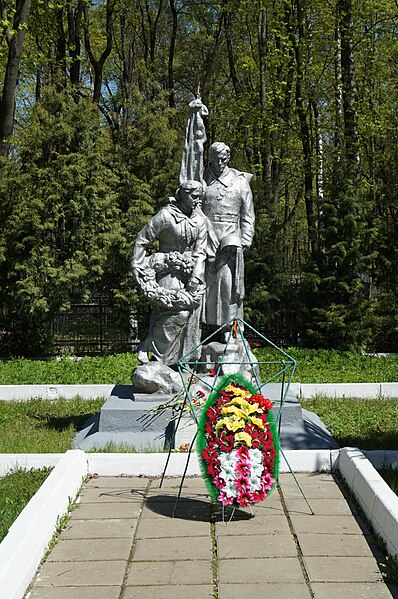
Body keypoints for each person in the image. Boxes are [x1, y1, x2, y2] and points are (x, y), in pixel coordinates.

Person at [132, 180, 207, 366]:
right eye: (193, 196)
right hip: (168, 271)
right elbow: (142, 239)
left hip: (190, 273)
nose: (197, 201)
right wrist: (139, 265)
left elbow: (201, 251)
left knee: (190, 318)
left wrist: (196, 277)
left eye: (200, 197)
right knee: (175, 313)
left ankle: (182, 361)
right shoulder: (166, 215)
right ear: (182, 194)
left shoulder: (200, 220)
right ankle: (155, 353)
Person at [202, 142, 255, 331]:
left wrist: (245, 241)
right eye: (216, 159)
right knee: (203, 286)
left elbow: (247, 215)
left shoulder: (240, 181)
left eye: (224, 159)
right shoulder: (202, 179)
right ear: (210, 159)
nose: (220, 162)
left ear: (229, 158)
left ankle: (230, 330)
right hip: (206, 239)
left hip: (231, 241)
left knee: (228, 286)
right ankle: (201, 331)